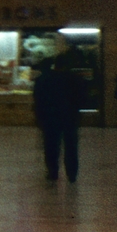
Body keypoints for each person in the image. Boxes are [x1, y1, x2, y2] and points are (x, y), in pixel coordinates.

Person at [34, 54, 86, 183]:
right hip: (70, 116)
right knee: (71, 146)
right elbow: (81, 99)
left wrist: (39, 116)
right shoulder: (75, 79)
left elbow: (38, 99)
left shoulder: (44, 79)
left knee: (51, 145)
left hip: (50, 117)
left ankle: (53, 171)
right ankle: (72, 173)